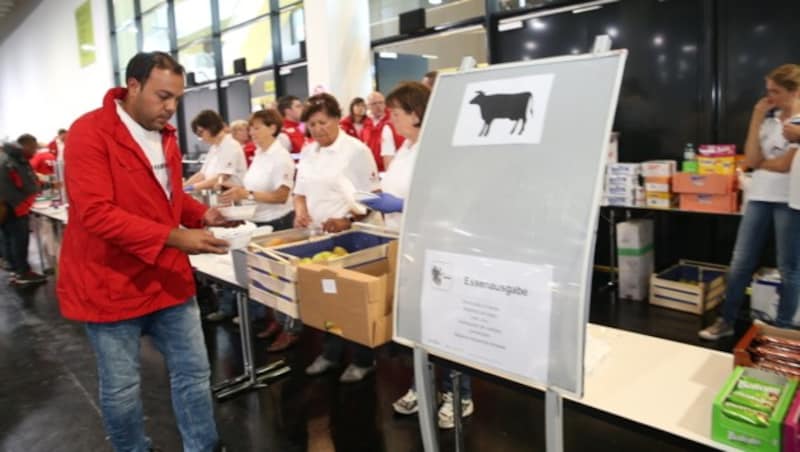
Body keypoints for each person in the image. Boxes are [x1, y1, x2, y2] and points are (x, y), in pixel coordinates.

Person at [57, 51, 232, 452]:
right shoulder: (89, 133)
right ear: (132, 87)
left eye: (177, 99)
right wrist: (177, 237)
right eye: (162, 96)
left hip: (166, 278)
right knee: (121, 388)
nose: (171, 108)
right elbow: (97, 214)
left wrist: (205, 215)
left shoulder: (164, 135)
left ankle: (203, 446)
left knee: (194, 373)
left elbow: (168, 199)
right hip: (109, 282)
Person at [361, 82, 475, 429]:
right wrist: (380, 196)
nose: (390, 119)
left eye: (396, 113)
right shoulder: (408, 146)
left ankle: (459, 393)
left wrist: (401, 205)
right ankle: (421, 386)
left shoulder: (441, 148)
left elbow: (451, 202)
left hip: (439, 246)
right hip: (406, 245)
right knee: (415, 324)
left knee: (447, 321)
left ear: (417, 113)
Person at [699, 64, 800, 339]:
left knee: (789, 267)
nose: (769, 97)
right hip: (759, 196)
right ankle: (727, 320)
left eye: (775, 92)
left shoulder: (799, 122)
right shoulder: (768, 121)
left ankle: (781, 330)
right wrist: (757, 115)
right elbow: (751, 159)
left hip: (789, 201)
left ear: (793, 91)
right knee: (740, 261)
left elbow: (784, 165)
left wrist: (762, 163)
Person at [294, 93, 380, 383]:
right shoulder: (309, 152)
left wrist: (347, 219)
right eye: (312, 124)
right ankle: (330, 353)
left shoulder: (355, 150)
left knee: (352, 301)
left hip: (355, 236)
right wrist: (301, 211)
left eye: (323, 122)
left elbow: (372, 197)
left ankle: (363, 359)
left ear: (335, 119)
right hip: (321, 237)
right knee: (326, 299)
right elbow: (300, 190)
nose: (318, 129)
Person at [218, 109, 301, 350]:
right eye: (251, 128)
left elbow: (280, 195)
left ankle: (291, 329)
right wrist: (236, 190)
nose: (251, 133)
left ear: (272, 128)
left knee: (283, 280)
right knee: (266, 278)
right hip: (260, 221)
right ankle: (276, 320)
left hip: (279, 222)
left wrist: (248, 193)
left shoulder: (280, 157)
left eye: (256, 128)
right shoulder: (260, 155)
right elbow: (251, 188)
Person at [0, 135, 47, 286]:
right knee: (19, 240)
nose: (35, 151)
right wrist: (41, 187)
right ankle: (23, 272)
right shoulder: (14, 161)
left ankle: (15, 270)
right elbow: (26, 184)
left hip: (7, 206)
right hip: (15, 205)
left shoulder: (6, 157)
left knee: (8, 238)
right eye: (33, 148)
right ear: (24, 145)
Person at [185, 110, 247, 190]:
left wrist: (191, 188)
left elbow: (221, 177)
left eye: (201, 133)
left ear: (211, 127)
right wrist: (183, 186)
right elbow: (202, 174)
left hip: (232, 197)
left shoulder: (230, 145)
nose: (201, 138)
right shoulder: (214, 147)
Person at [361, 91, 404, 172]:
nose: (378, 106)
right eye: (374, 103)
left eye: (381, 102)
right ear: (367, 106)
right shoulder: (366, 124)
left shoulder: (393, 122)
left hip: (390, 169)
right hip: (372, 171)